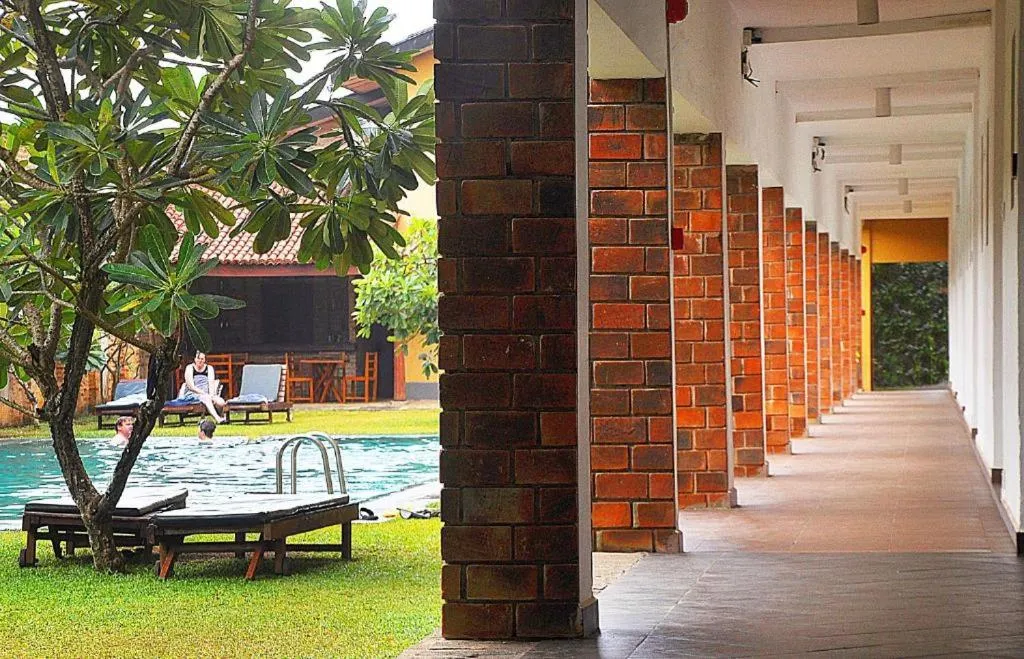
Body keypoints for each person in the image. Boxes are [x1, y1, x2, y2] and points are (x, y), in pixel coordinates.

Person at [182, 351, 227, 423]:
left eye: (202, 359)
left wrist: (212, 396)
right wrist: (203, 393)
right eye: (198, 358)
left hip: (207, 394)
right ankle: (218, 419)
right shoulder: (190, 368)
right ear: (195, 359)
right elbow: (191, 387)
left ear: (205, 360)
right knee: (206, 398)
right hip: (192, 394)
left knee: (221, 402)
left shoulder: (209, 368)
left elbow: (211, 384)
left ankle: (222, 417)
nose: (200, 361)